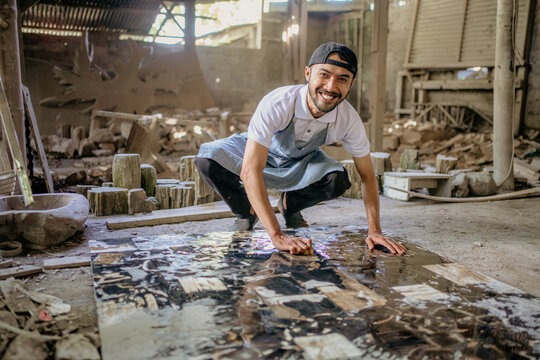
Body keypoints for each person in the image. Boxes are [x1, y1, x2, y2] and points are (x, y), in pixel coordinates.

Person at [195, 42, 406, 256]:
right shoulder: (279, 103)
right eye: (324, 74)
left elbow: (368, 177)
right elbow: (250, 170)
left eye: (342, 79)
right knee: (208, 158)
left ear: (351, 84)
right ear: (308, 73)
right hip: (256, 151)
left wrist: (375, 230)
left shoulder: (348, 119)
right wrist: (277, 236)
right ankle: (246, 211)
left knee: (337, 178)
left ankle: (289, 204)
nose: (331, 87)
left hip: (300, 161)